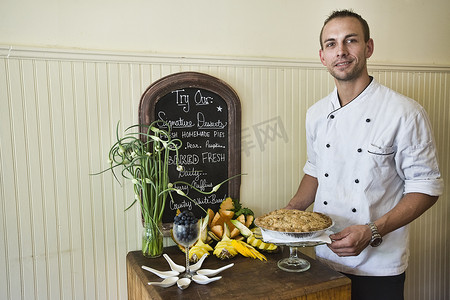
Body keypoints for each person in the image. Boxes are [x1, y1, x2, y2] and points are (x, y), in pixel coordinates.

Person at [285, 9, 443, 300]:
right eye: (331, 44)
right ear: (323, 56)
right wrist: (290, 212)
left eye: (351, 40)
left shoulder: (404, 113)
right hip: (324, 258)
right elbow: (316, 169)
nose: (341, 51)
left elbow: (426, 188)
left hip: (379, 266)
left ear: (368, 47)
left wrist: (371, 231)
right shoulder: (317, 113)